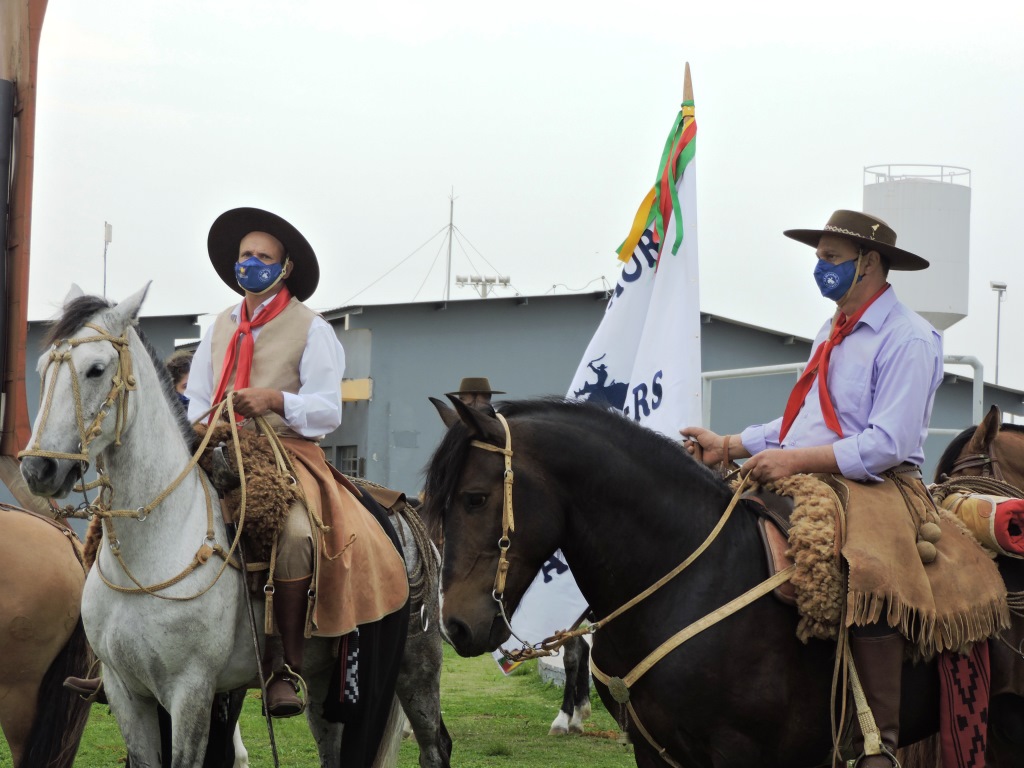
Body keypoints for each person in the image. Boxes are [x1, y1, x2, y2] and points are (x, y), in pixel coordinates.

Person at [681, 209, 1005, 767]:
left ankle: (877, 741)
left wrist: (792, 461)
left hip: (879, 484)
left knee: (870, 568)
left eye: (830, 259)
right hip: (811, 471)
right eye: (818, 259)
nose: (820, 269)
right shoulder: (829, 334)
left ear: (870, 264)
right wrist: (730, 444)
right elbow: (799, 424)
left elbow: (884, 443)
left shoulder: (909, 337)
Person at [183, 207, 408, 718]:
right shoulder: (219, 327)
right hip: (217, 447)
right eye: (245, 256)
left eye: (264, 257)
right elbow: (196, 402)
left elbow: (328, 410)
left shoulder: (312, 328)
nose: (252, 264)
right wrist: (207, 424)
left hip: (285, 451)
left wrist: (276, 401)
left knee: (298, 532)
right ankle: (119, 652)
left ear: (284, 269)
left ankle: (284, 666)